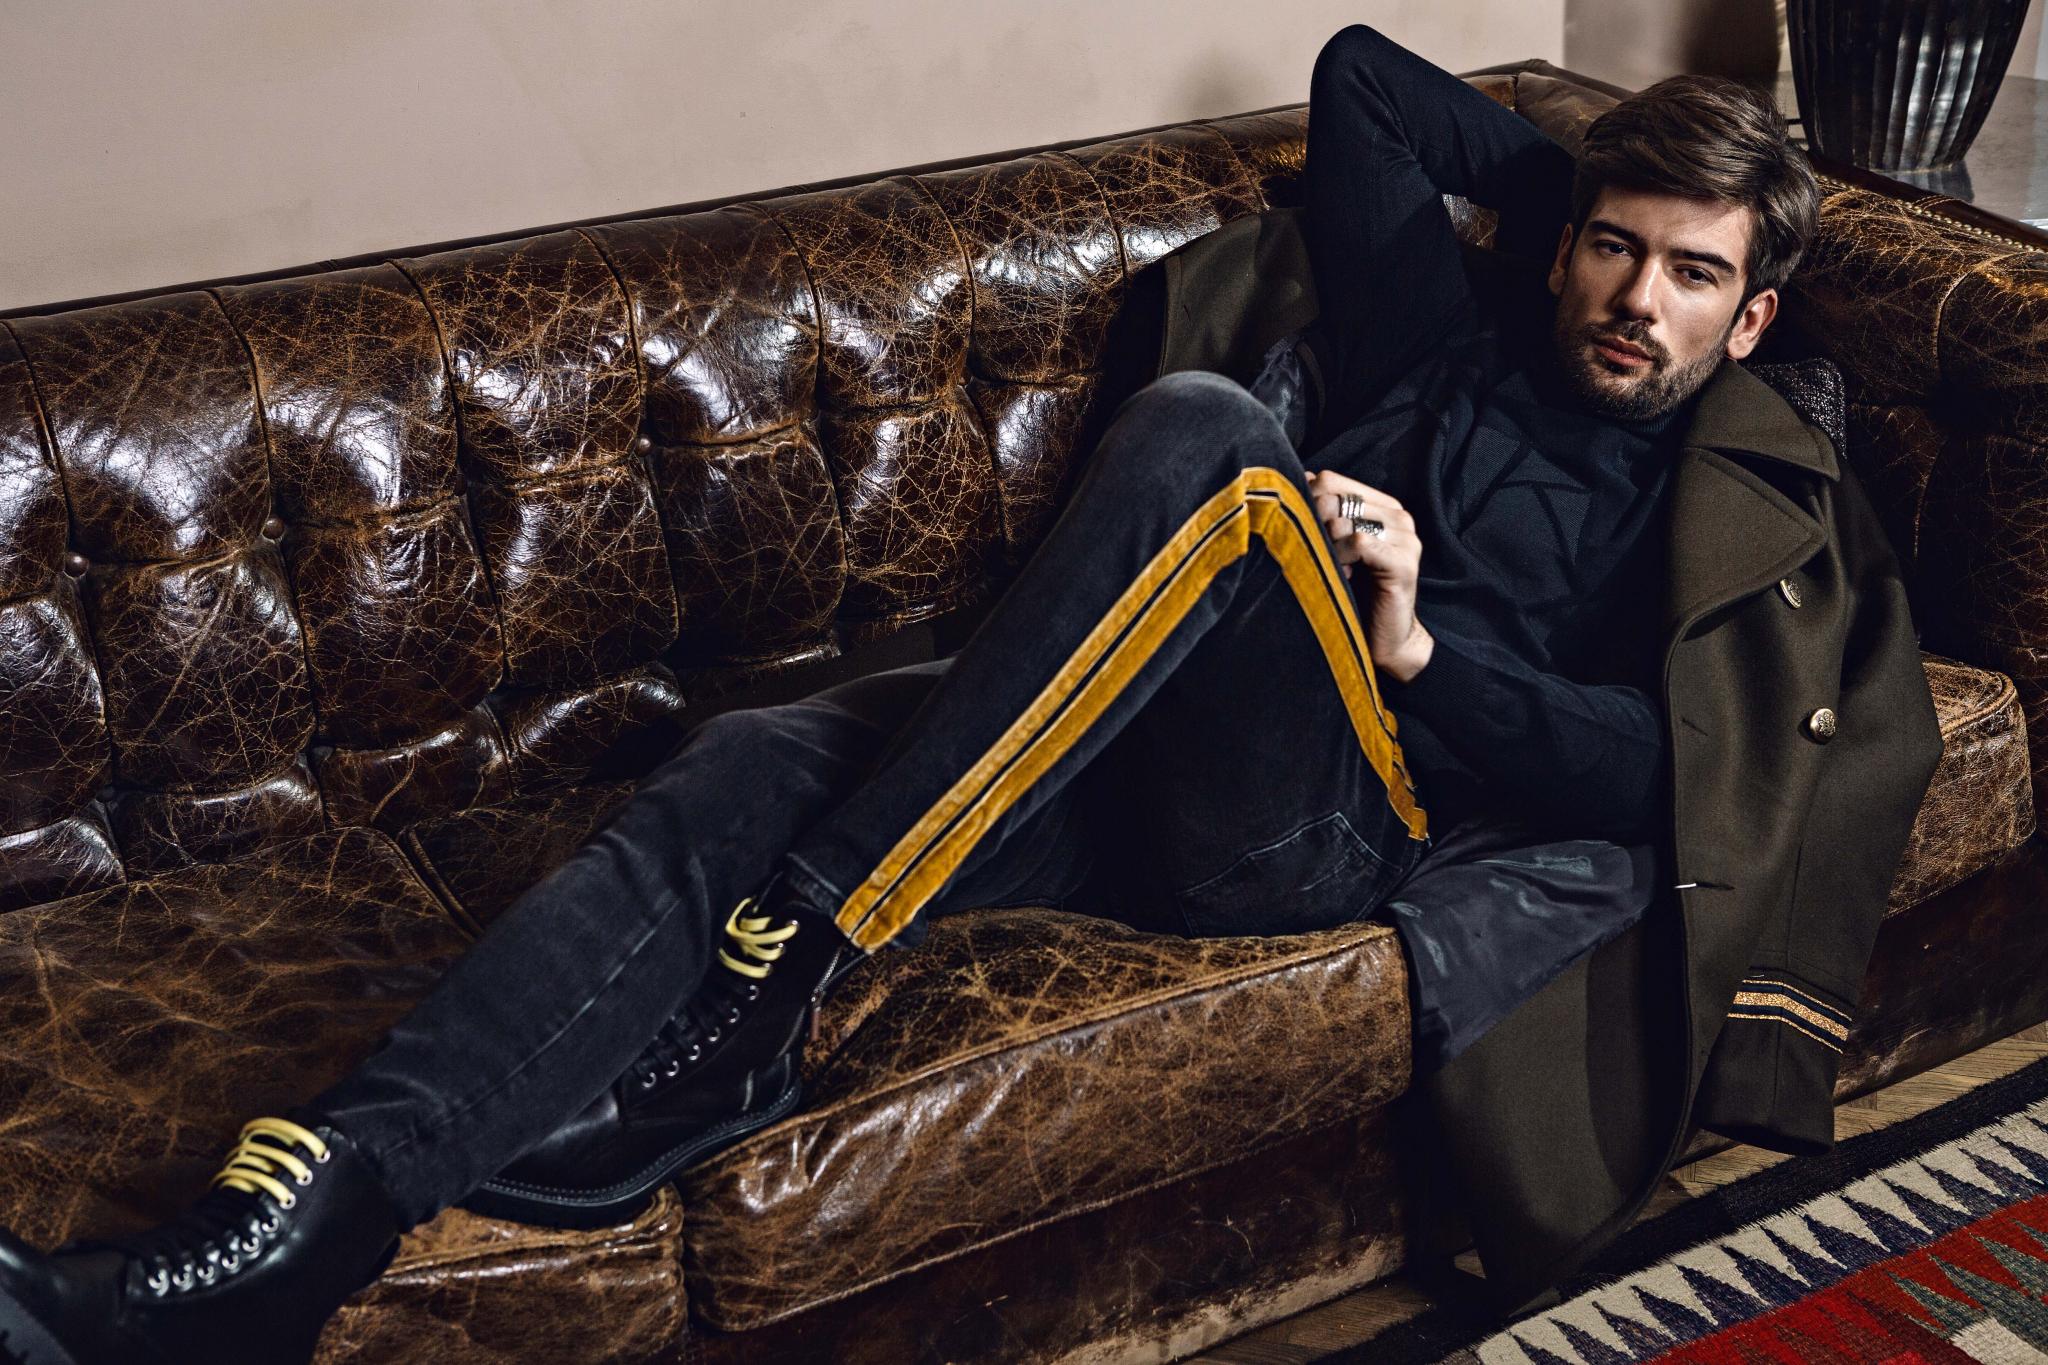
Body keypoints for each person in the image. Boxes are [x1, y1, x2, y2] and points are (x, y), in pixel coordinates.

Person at [0, 23, 1827, 1363]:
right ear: (1563, 236)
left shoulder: (1705, 500)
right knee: (750, 758)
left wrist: (1424, 644)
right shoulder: (1452, 326)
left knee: (1213, 435)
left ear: (1750, 319)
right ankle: (286, 1236)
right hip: (1122, 726)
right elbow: (1365, 82)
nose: (1637, 301)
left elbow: (1648, 768)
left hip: (1332, 818)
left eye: (1694, 278)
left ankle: (801, 944)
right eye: (1614, 247)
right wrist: (1603, 190)